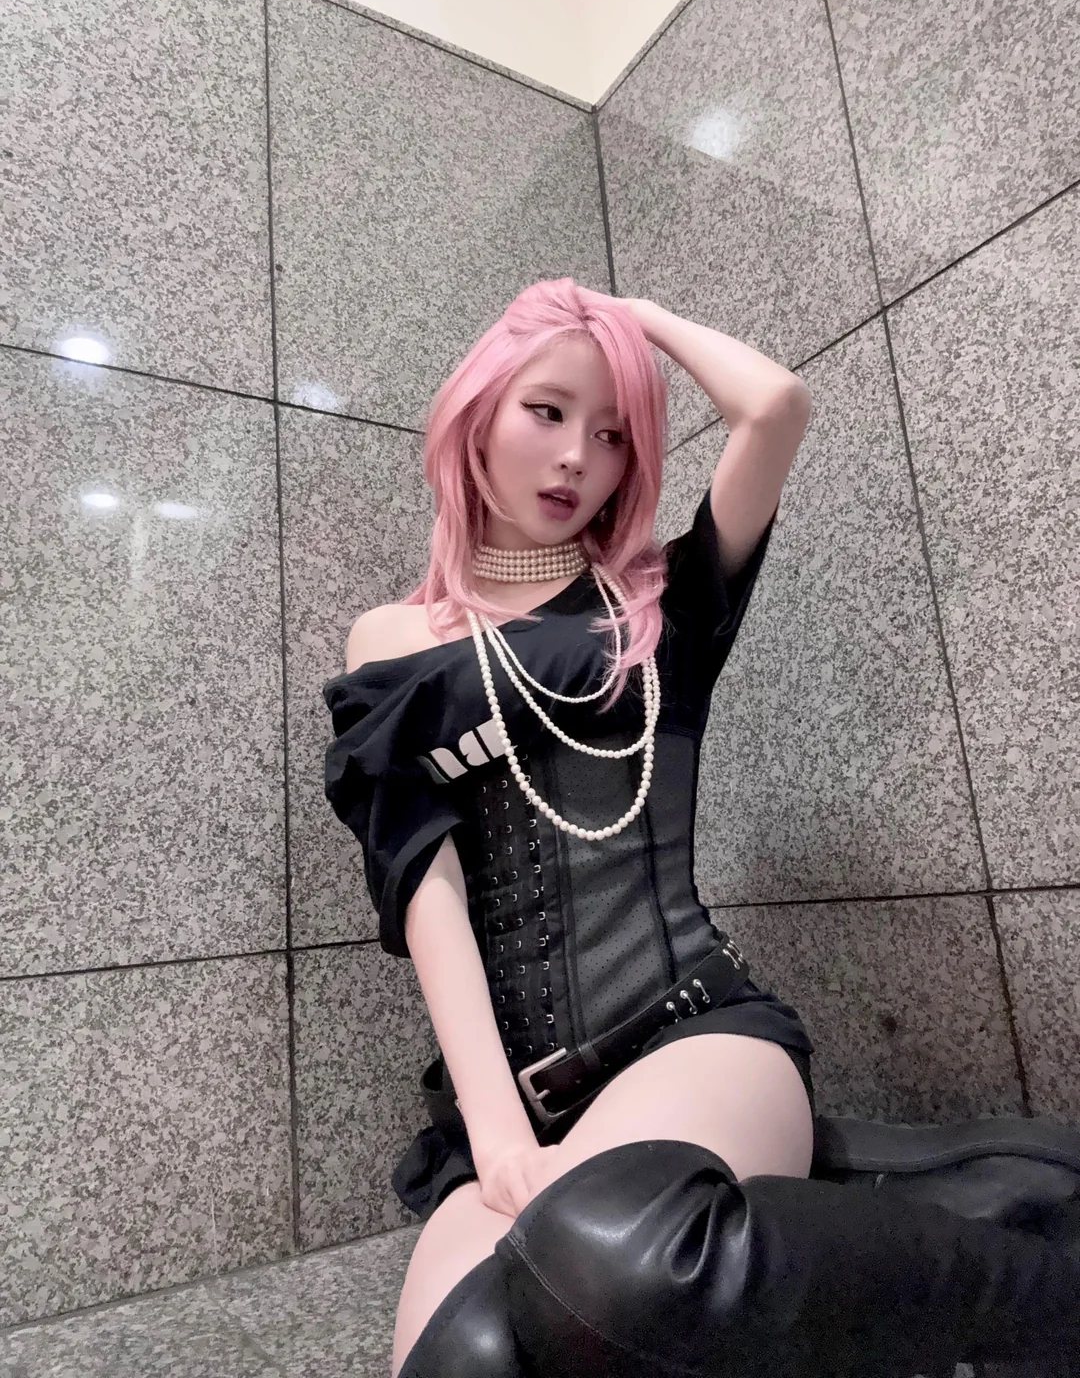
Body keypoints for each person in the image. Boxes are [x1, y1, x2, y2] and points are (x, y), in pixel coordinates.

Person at [322, 279, 1080, 1377]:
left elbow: (773, 405)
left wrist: (625, 316)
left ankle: (1049, 1305)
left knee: (616, 1254)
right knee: (471, 1358)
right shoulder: (390, 638)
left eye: (613, 434)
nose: (578, 457)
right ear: (477, 410)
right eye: (547, 410)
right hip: (513, 1104)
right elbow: (422, 889)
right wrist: (495, 1132)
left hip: (693, 1033)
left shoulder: (662, 601)